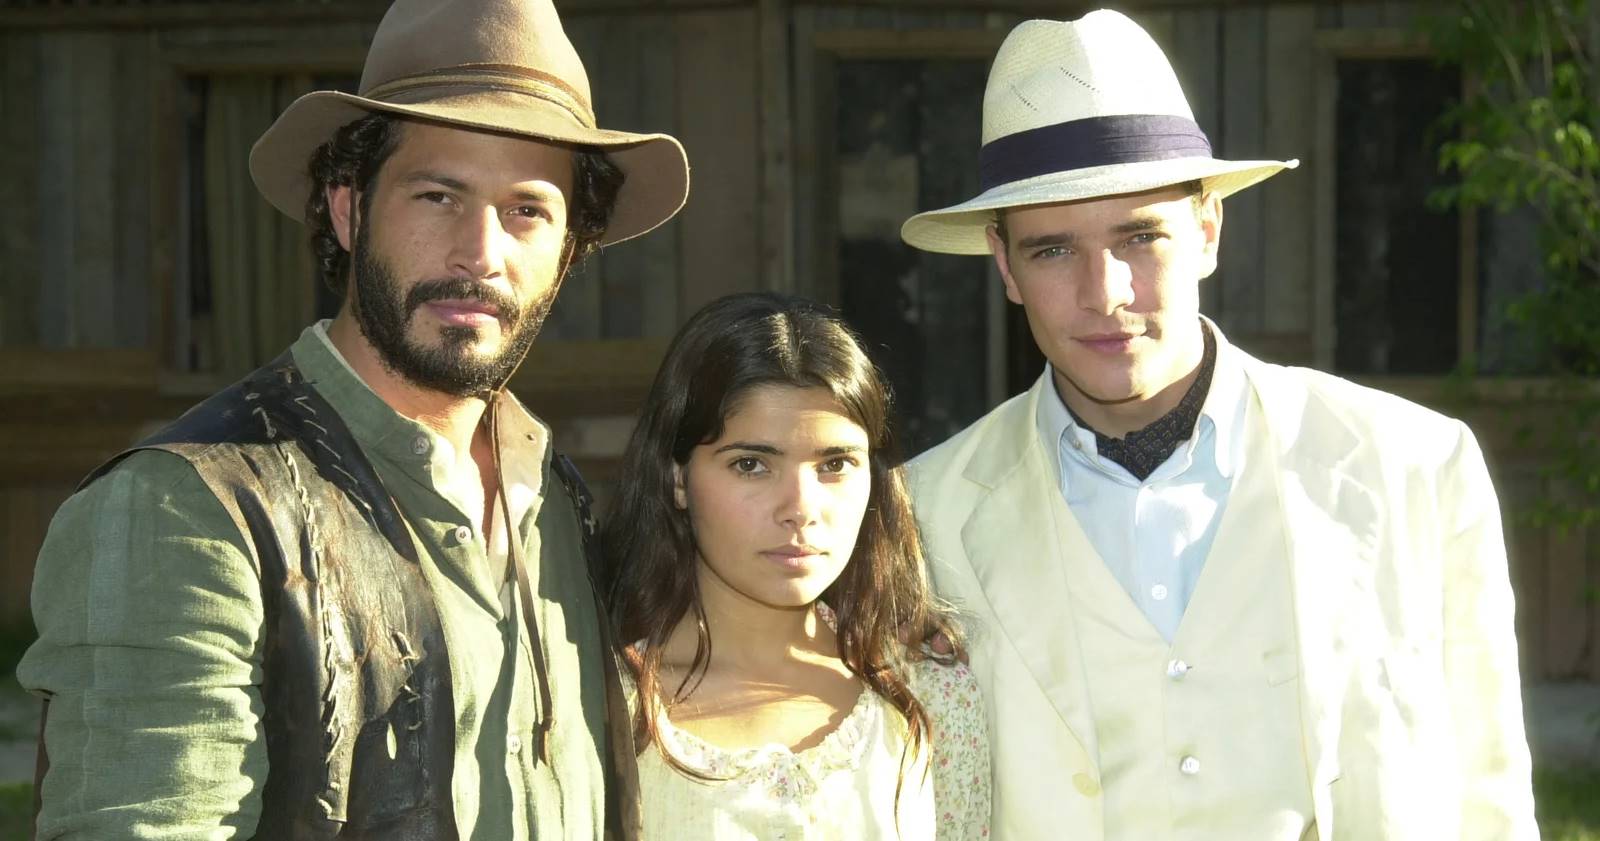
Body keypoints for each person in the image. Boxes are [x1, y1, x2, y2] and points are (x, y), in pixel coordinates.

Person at [19, 0, 687, 837]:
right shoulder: (187, 509)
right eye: (438, 194)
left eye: (527, 210)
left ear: (572, 248)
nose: (481, 252)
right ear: (348, 208)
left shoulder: (559, 501)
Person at [898, 10, 1537, 841]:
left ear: (1207, 230)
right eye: (1055, 249)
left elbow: (1488, 795)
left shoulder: (1414, 465)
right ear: (1005, 265)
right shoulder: (922, 514)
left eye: (1141, 236)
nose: (1108, 292)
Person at [599, 292, 990, 840]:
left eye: (835, 464)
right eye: (751, 465)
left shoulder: (925, 691)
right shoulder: (601, 703)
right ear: (678, 478)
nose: (801, 509)